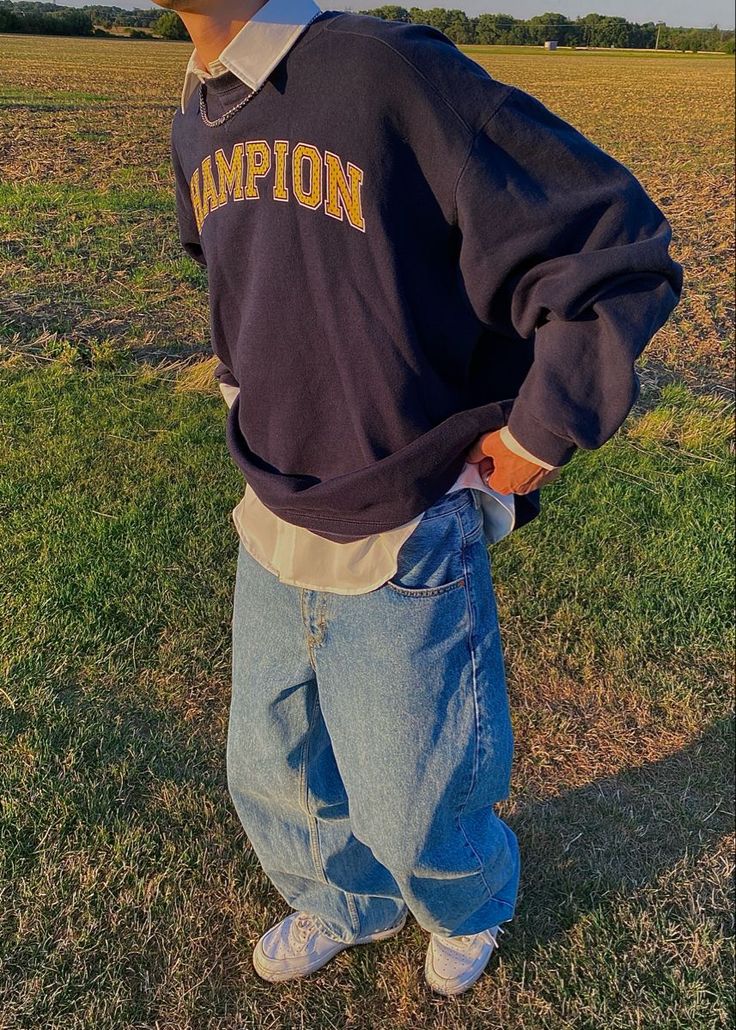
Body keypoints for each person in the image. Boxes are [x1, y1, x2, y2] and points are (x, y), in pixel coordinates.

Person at [158, 0, 683, 996]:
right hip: (270, 504)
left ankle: (469, 901)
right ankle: (344, 898)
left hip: (405, 516)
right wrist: (247, 384)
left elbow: (609, 239)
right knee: (272, 763)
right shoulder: (195, 111)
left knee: (413, 791)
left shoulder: (381, 71)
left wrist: (540, 427)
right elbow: (229, 266)